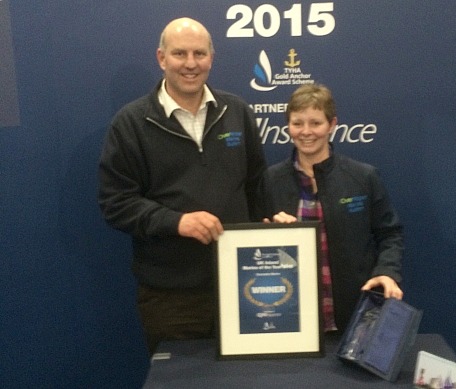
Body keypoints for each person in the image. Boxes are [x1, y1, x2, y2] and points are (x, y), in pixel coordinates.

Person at [98, 17, 267, 353]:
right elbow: (116, 203)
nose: (190, 64)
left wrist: (271, 231)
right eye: (180, 54)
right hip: (172, 297)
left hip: (242, 286)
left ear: (211, 57)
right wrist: (177, 222)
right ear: (162, 58)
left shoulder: (237, 112)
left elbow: (257, 187)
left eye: (199, 54)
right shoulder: (130, 123)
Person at [264, 84, 404, 333]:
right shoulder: (271, 180)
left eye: (315, 123)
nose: (306, 132)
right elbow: (254, 250)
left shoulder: (363, 177)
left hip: (354, 317)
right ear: (288, 126)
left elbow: (390, 234)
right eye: (297, 123)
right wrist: (269, 234)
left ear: (332, 124)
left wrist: (387, 272)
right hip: (290, 319)